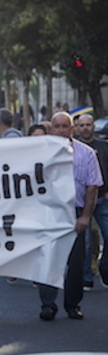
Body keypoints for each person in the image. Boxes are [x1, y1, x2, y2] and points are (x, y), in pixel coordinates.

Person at [38, 112, 102, 321]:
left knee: (76, 262)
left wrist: (85, 217)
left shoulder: (87, 154)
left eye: (65, 126)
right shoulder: (39, 153)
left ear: (71, 128)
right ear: (51, 129)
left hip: (75, 212)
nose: (60, 130)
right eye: (56, 126)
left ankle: (73, 304)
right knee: (48, 259)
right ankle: (48, 305)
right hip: (49, 212)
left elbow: (92, 187)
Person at [74, 115, 108, 291]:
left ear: (94, 126)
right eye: (82, 125)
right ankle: (86, 277)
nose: (85, 128)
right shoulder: (73, 149)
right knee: (85, 243)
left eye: (88, 125)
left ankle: (104, 269)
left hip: (103, 198)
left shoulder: (104, 146)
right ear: (76, 128)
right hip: (82, 201)